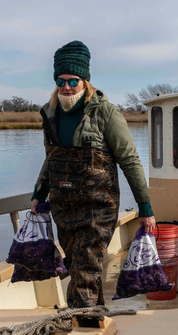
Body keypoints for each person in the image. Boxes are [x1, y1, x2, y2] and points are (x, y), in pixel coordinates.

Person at [30, 40, 156, 307]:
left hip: (98, 207)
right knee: (77, 266)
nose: (66, 87)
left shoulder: (106, 114)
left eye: (72, 80)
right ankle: (96, 318)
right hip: (63, 206)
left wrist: (145, 207)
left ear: (85, 80)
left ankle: (80, 329)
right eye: (60, 80)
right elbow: (50, 158)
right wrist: (38, 193)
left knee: (86, 269)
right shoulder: (50, 113)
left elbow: (130, 160)